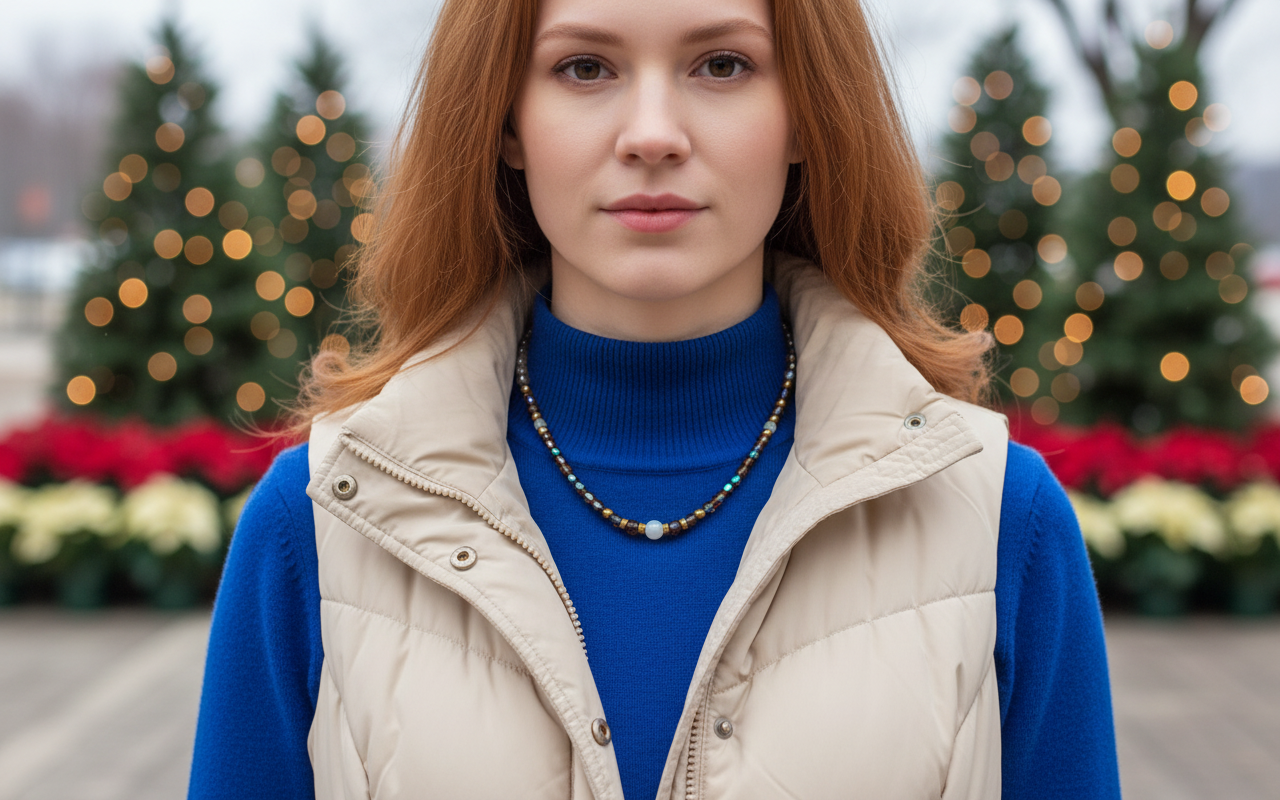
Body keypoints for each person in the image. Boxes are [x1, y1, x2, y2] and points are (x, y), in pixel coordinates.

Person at [189, 0, 1122, 797]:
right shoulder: (319, 523)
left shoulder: (1000, 519)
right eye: (585, 67)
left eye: (722, 64)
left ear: (806, 112)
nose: (652, 133)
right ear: (507, 119)